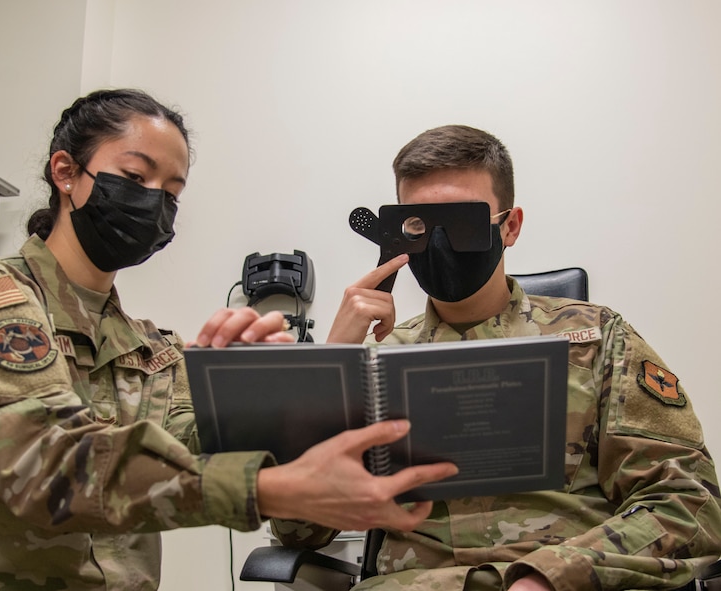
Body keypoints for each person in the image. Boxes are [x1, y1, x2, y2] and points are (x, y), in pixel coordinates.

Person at [0, 89, 458, 590]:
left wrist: (259, 395)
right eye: (136, 179)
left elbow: (198, 445)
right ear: (66, 172)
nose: (154, 202)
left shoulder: (149, 348)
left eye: (172, 191)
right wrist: (263, 489)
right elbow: (47, 469)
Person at [274, 125, 721, 590]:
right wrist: (329, 367)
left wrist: (551, 576)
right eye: (419, 225)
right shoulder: (373, 361)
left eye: (463, 222)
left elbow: (689, 504)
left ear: (509, 226)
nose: (441, 242)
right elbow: (296, 531)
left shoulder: (599, 340)